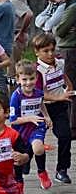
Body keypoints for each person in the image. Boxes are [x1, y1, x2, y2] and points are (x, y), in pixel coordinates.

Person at [33, 33, 73, 184]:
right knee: (35, 141)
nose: (50, 54)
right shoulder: (37, 70)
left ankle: (62, 170)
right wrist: (59, 97)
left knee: (65, 136)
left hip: (59, 107)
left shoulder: (59, 62)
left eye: (52, 50)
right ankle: (26, 166)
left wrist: (69, 86)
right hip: (41, 108)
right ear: (37, 52)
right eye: (46, 51)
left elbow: (63, 75)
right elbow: (39, 94)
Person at [10, 59, 53, 190]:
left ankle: (42, 172)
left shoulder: (38, 93)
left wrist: (46, 116)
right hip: (20, 130)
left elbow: (41, 104)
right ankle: (18, 182)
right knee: (18, 158)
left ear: (36, 78)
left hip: (36, 127)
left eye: (31, 78)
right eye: (24, 79)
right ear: (18, 79)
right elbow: (13, 120)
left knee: (38, 149)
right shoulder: (16, 97)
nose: (28, 82)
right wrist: (29, 118)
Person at [54, 0, 76, 139]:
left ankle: (72, 126)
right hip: (68, 49)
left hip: (69, 50)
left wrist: (60, 28)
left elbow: (59, 30)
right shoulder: (68, 6)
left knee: (70, 87)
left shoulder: (72, 7)